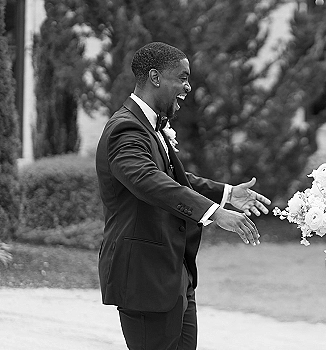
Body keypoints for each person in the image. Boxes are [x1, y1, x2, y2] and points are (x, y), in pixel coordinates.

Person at [95, 42, 271, 350]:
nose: (188, 87)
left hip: (174, 274)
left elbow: (174, 179)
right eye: (182, 77)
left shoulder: (151, 128)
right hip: (144, 278)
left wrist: (227, 193)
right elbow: (148, 181)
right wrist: (215, 212)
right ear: (155, 77)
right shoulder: (126, 129)